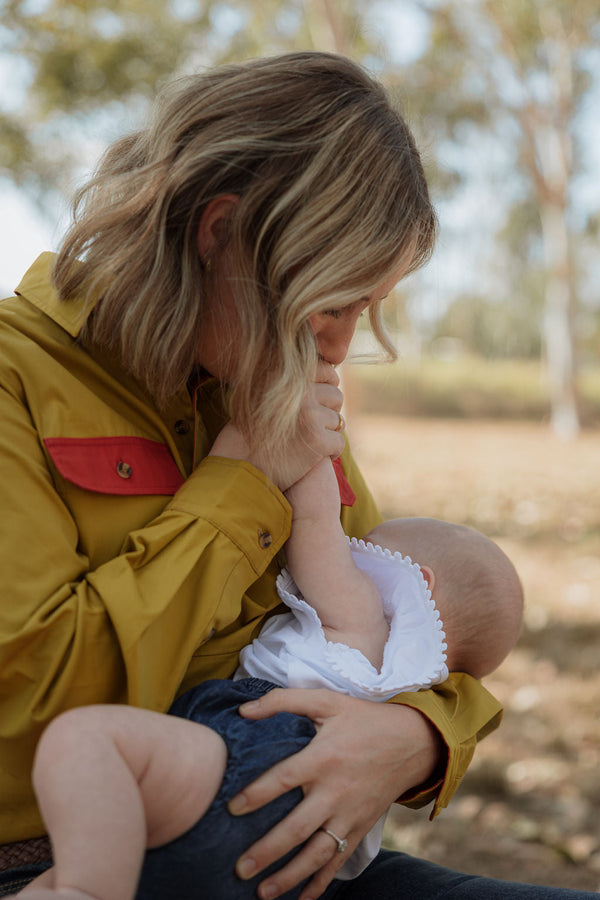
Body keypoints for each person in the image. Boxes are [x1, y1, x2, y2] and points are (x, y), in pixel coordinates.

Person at [0, 50, 595, 900]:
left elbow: (407, 617)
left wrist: (416, 740)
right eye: (332, 302)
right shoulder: (13, 377)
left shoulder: (273, 384)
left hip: (295, 857)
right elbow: (30, 715)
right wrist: (240, 480)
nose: (343, 346)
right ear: (219, 233)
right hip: (65, 865)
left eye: (366, 308)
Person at [16, 455, 524, 900]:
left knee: (88, 740)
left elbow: (317, 525)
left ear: (413, 587)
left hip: (246, 766)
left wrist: (306, 447)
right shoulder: (399, 684)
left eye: (367, 550)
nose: (351, 551)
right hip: (299, 862)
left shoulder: (364, 619)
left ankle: (80, 891)